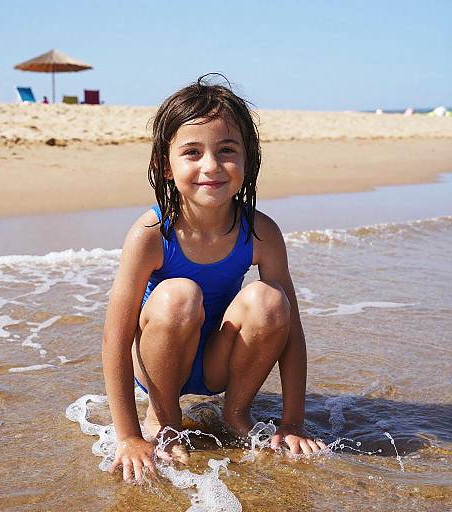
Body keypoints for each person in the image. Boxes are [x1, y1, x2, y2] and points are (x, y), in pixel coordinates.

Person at [102, 74, 326, 483]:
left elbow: (290, 332)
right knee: (178, 295)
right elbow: (115, 340)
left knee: (271, 301)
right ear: (164, 167)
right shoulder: (151, 235)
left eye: (227, 150)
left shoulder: (262, 232)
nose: (211, 166)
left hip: (219, 364)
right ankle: (166, 418)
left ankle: (237, 412)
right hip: (158, 359)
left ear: (248, 160)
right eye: (192, 152)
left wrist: (293, 422)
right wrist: (129, 437)